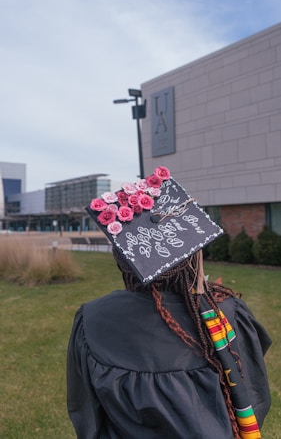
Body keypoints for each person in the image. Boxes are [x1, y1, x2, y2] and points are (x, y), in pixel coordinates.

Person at [67, 166, 271, 439]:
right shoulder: (227, 314)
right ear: (194, 255)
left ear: (122, 260)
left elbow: (88, 416)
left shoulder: (92, 320)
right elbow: (253, 394)